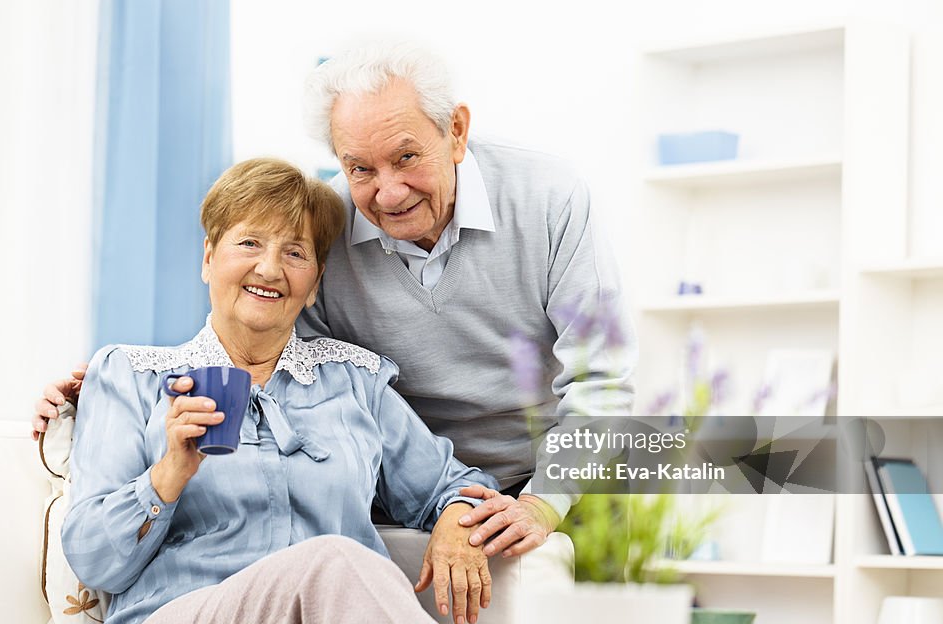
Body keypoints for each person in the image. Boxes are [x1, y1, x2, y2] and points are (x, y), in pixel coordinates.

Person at [35, 41, 636, 561]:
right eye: (359, 168)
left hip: (544, 473)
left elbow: (601, 382)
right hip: (399, 488)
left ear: (455, 131)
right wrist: (116, 393)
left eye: (406, 157)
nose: (388, 191)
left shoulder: (549, 199)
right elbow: (274, 352)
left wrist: (540, 503)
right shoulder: (325, 230)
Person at [61, 157, 496, 624]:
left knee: (332, 573)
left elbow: (451, 487)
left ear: (314, 284)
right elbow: (93, 558)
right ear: (208, 258)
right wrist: (168, 473)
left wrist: (453, 517)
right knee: (333, 564)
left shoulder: (354, 381)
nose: (270, 268)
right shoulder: (131, 376)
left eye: (295, 252)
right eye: (249, 244)